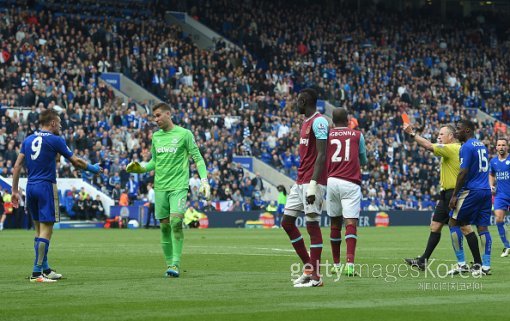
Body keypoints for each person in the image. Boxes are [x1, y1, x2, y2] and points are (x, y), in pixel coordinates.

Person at [11, 108, 101, 283]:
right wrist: (93, 169)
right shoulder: (55, 140)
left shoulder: (28, 139)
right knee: (47, 230)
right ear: (52, 123)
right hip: (46, 186)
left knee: (38, 231)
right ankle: (37, 273)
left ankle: (45, 268)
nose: (60, 126)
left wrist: (15, 191)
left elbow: (17, 166)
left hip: (30, 186)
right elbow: (76, 161)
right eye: (59, 123)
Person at [126, 102, 210, 278]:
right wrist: (139, 168)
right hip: (161, 187)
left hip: (179, 186)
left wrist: (204, 181)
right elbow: (154, 162)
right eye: (154, 116)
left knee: (176, 222)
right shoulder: (156, 137)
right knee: (164, 228)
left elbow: (198, 158)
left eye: (158, 115)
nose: (155, 119)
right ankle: (169, 264)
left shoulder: (184, 134)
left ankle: (176, 263)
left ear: (168, 114)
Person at [282, 88, 328, 288]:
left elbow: (322, 154)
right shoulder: (306, 122)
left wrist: (313, 184)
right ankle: (310, 269)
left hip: (312, 182)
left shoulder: (319, 122)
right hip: (300, 180)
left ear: (303, 101)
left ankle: (316, 278)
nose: (295, 104)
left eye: (297, 101)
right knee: (287, 223)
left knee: (312, 225)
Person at [403, 123, 461, 270]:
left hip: (454, 193)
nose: (438, 137)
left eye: (441, 134)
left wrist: (412, 134)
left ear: (451, 136)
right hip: (445, 194)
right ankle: (423, 260)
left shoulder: (452, 148)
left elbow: (428, 146)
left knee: (464, 228)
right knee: (435, 226)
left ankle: (474, 262)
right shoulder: (449, 149)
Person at [326, 108, 367, 276]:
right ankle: (350, 264)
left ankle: (336, 265)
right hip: (350, 182)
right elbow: (363, 159)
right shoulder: (357, 135)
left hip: (332, 181)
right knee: (350, 223)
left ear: (333, 120)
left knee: (335, 223)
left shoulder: (327, 135)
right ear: (348, 119)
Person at [448, 119, 492, 276]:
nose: (455, 132)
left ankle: (461, 264)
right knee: (482, 227)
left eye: (458, 129)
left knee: (453, 221)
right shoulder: (481, 145)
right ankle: (485, 266)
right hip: (486, 191)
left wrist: (454, 196)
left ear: (467, 130)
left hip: (472, 191)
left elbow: (463, 172)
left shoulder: (465, 147)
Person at [489, 138, 510, 257]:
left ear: (507, 147)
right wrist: (491, 185)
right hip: (500, 195)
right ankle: (507, 246)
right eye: (499, 145)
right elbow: (491, 174)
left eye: (503, 145)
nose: (501, 147)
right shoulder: (493, 162)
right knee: (498, 219)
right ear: (496, 147)